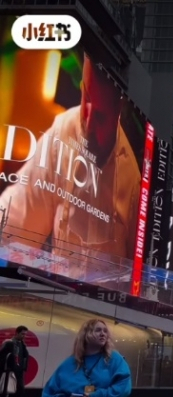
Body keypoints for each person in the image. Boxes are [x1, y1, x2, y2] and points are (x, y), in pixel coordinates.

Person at [0, 53, 141, 279]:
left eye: (101, 116)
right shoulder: (65, 129)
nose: (87, 121)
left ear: (120, 111)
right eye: (86, 98)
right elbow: (17, 220)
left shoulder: (134, 180)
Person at [42, 319, 131, 397]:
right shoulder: (69, 364)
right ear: (85, 334)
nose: (103, 334)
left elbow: (123, 388)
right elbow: (49, 393)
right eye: (98, 330)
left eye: (105, 331)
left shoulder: (115, 359)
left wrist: (97, 395)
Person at [0, 326, 29, 397]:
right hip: (11, 371)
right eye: (22, 334)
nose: (24, 336)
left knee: (19, 390)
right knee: (9, 389)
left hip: (19, 371)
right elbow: (2, 357)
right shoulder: (9, 343)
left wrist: (23, 368)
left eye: (25, 334)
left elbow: (25, 356)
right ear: (17, 333)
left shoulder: (22, 344)